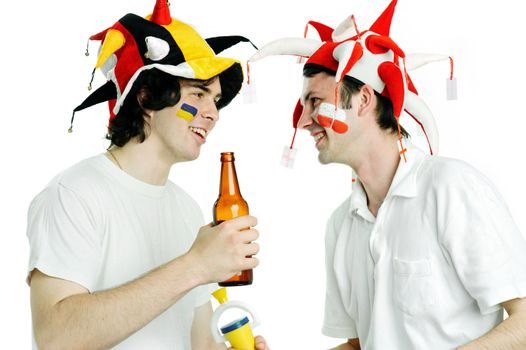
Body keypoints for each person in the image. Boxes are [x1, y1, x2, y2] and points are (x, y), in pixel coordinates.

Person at [249, 0, 526, 349]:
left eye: (315, 102)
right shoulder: (342, 224)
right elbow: (359, 344)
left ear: (363, 100)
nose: (302, 121)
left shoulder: (450, 188)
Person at [26, 1, 268, 349]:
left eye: (215, 100)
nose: (213, 113)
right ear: (146, 98)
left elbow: (197, 341)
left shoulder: (187, 210)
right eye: (198, 94)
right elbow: (57, 338)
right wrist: (194, 266)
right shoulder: (74, 194)